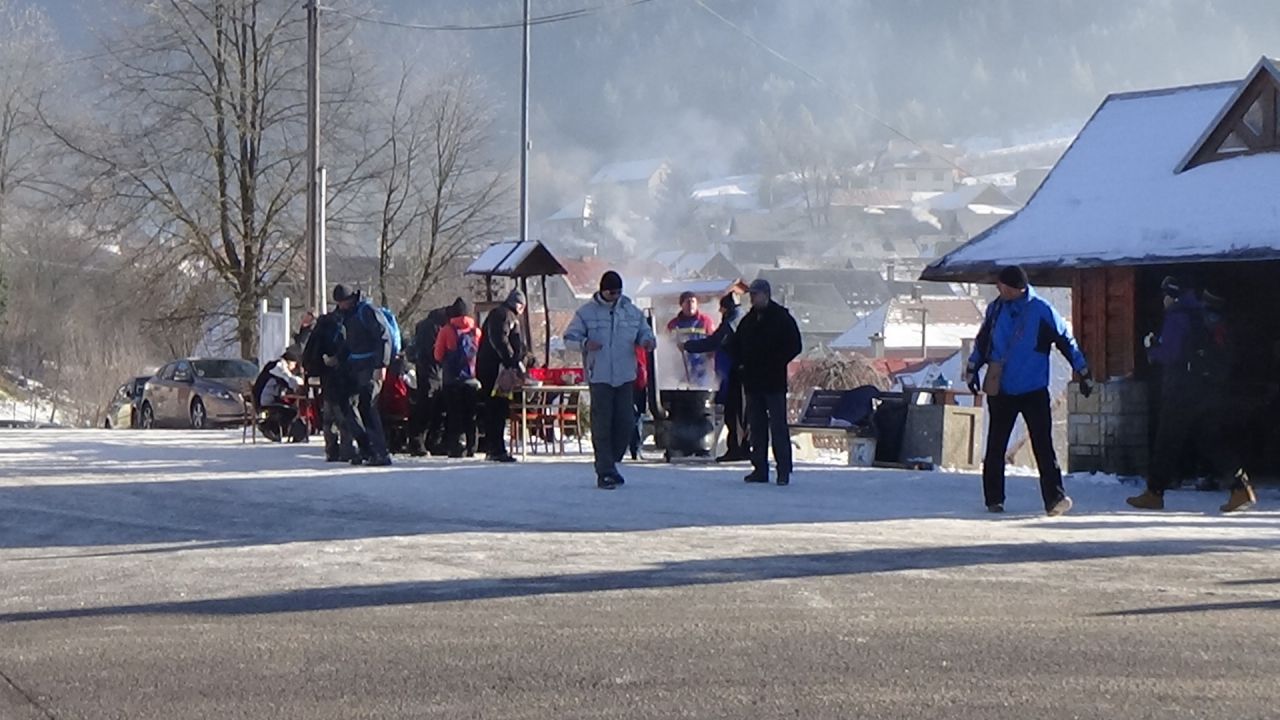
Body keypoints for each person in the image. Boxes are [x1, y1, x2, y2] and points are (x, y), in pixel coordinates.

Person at [966, 265, 1092, 516]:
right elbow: (983, 342)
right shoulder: (995, 309)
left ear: (1016, 288)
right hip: (1002, 388)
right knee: (996, 446)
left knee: (1043, 445)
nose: (998, 289)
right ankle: (994, 499)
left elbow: (1066, 341)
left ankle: (1055, 498)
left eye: (1002, 285)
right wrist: (972, 368)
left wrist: (1083, 371)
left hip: (1033, 388)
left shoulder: (1041, 310)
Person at [1126, 276, 1256, 513]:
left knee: (1166, 441)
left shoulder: (1177, 316)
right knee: (1209, 439)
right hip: (1206, 388)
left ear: (1172, 296)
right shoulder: (1202, 314)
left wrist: (1151, 348)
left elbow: (1170, 353)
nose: (1163, 300)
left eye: (1165, 295)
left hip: (1181, 390)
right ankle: (1240, 486)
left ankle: (1154, 494)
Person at [564, 270, 656, 489]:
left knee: (626, 421)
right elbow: (569, 338)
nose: (615, 296)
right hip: (600, 376)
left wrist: (648, 341)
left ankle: (612, 460)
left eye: (618, 292)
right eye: (611, 292)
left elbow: (645, 332)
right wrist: (585, 344)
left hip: (625, 376)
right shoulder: (586, 313)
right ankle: (605, 470)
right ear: (602, 291)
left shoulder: (632, 312)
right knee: (602, 424)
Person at [728, 279, 802, 486]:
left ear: (766, 294)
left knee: (778, 427)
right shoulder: (748, 320)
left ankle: (783, 470)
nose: (752, 298)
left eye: (755, 294)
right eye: (751, 295)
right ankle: (759, 468)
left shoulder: (781, 318)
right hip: (753, 382)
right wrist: (741, 365)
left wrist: (776, 362)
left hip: (773, 381)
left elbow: (795, 345)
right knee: (757, 428)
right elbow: (735, 346)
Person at [682, 292, 749, 462]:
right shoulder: (740, 318)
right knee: (740, 413)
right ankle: (742, 448)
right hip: (738, 372)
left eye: (722, 308)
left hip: (736, 373)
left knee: (734, 413)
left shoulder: (731, 322)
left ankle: (737, 449)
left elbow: (714, 341)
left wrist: (688, 346)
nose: (720, 311)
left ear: (727, 308)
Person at [333, 283, 394, 467]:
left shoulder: (367, 311)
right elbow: (349, 342)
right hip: (355, 366)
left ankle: (380, 452)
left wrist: (382, 365)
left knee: (368, 407)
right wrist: (338, 358)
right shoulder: (348, 314)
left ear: (350, 298)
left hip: (370, 366)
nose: (341, 305)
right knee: (346, 404)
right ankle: (366, 448)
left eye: (342, 302)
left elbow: (384, 337)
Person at [477, 289, 526, 463]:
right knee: (497, 408)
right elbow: (500, 340)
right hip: (496, 370)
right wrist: (511, 361)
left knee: (497, 408)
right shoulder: (504, 315)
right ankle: (495, 448)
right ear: (518, 305)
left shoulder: (502, 314)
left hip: (495, 368)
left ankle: (495, 447)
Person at [302, 308, 354, 462]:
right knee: (343, 413)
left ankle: (331, 450)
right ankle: (346, 450)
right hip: (343, 374)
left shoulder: (322, 325)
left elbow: (308, 354)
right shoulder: (345, 323)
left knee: (328, 414)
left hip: (325, 374)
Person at [434, 297, 483, 458]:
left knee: (454, 414)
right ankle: (472, 446)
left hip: (452, 380)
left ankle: (456, 447)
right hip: (472, 379)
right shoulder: (476, 331)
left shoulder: (446, 330)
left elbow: (438, 355)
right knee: (471, 415)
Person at [408, 305, 450, 456]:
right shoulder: (435, 327)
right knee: (428, 406)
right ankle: (421, 442)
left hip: (427, 370)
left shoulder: (427, 324)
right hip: (432, 371)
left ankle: (424, 442)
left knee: (428, 406)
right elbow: (434, 352)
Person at [667, 291, 716, 387]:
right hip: (680, 367)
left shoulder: (705, 321)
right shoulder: (673, 324)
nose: (690, 305)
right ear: (681, 304)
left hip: (701, 367)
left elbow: (713, 341)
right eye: (687, 302)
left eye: (693, 301)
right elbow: (668, 345)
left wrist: (710, 359)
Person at [254, 349, 303, 442]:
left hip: (261, 399)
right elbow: (290, 381)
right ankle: (270, 428)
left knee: (288, 409)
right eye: (294, 365)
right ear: (290, 362)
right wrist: (301, 381)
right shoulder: (279, 367)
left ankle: (274, 429)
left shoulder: (272, 366)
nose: (294, 368)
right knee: (291, 411)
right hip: (265, 402)